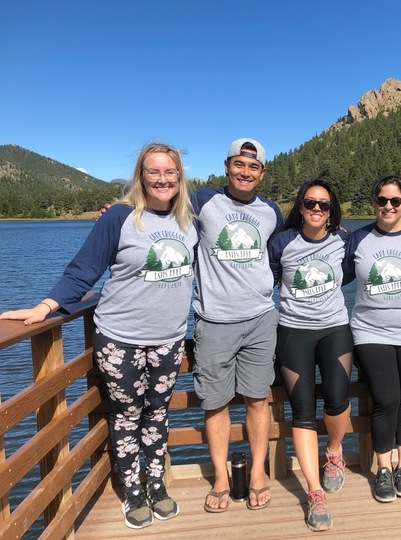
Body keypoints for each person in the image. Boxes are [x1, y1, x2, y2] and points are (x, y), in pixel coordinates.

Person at [1, 143, 197, 529]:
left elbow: (228, 200)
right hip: (120, 338)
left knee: (157, 413)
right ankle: (133, 493)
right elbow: (83, 270)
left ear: (179, 177)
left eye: (169, 172)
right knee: (126, 415)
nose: (162, 179)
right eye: (153, 171)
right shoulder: (120, 218)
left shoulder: (189, 218)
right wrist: (46, 307)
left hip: (169, 338)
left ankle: (155, 484)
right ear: (141, 176)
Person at [192, 138, 283, 513]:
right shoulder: (201, 201)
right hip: (214, 321)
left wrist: (338, 232)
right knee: (215, 404)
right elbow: (155, 205)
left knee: (258, 400)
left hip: (261, 317)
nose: (245, 172)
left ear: (262, 173)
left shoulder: (271, 211)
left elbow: (286, 248)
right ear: (227, 166)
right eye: (239, 164)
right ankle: (220, 477)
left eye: (253, 166)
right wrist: (115, 211)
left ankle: (258, 473)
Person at [268, 179, 352, 532]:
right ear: (299, 207)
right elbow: (266, 280)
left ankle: (333, 452)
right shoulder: (282, 243)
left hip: (335, 329)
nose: (317, 209)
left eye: (324, 204)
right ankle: (315, 491)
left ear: (332, 210)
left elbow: (349, 273)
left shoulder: (344, 240)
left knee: (337, 398)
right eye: (309, 203)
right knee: (302, 409)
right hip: (293, 333)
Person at [344, 175, 401, 503]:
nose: (388, 206)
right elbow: (332, 276)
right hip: (370, 331)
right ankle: (383, 468)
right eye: (382, 200)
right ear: (374, 202)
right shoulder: (358, 239)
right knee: (385, 399)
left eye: (395, 201)